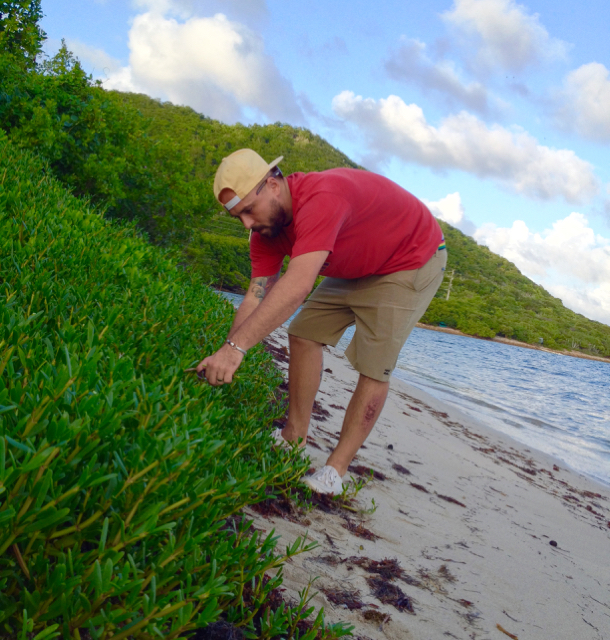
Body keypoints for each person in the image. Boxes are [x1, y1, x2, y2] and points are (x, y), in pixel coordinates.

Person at [197, 149, 446, 495]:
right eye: (238, 217)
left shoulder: (322, 197)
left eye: (249, 211)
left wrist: (236, 348)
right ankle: (293, 436)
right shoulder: (265, 231)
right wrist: (226, 350)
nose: (248, 225)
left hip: (410, 258)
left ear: (272, 184)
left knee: (374, 366)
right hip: (352, 260)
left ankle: (334, 471)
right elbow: (256, 296)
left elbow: (297, 286)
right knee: (303, 333)